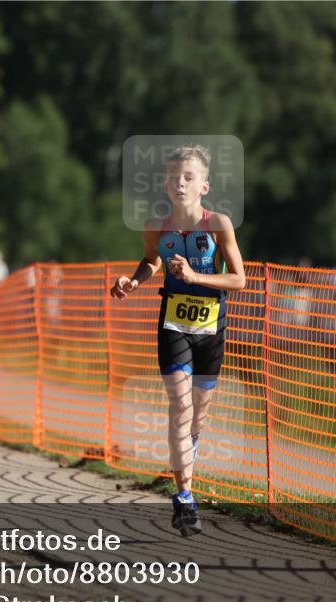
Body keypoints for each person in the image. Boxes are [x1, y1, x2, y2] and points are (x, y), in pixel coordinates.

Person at [110, 145, 246, 536]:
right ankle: (184, 496)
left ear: (204, 185)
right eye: (173, 177)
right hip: (173, 324)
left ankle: (188, 455)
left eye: (188, 177)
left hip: (211, 327)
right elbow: (151, 260)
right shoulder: (156, 226)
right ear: (166, 185)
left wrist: (195, 276)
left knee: (196, 415)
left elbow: (239, 279)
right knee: (180, 406)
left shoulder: (218, 224)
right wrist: (133, 281)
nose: (180, 183)